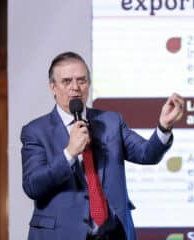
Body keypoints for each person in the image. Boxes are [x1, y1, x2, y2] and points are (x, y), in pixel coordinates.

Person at [20, 51, 184, 240]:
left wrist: (164, 127)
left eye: (81, 81)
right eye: (67, 81)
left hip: (113, 233)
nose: (75, 88)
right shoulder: (35, 131)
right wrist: (69, 154)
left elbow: (147, 154)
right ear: (53, 87)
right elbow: (33, 186)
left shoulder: (111, 121)